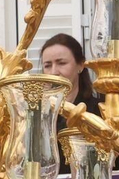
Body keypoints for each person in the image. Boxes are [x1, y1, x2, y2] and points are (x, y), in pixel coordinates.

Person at [40, 33, 97, 169]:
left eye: (61, 63)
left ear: (81, 65)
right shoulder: (37, 114)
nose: (54, 72)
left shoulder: (98, 109)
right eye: (47, 65)